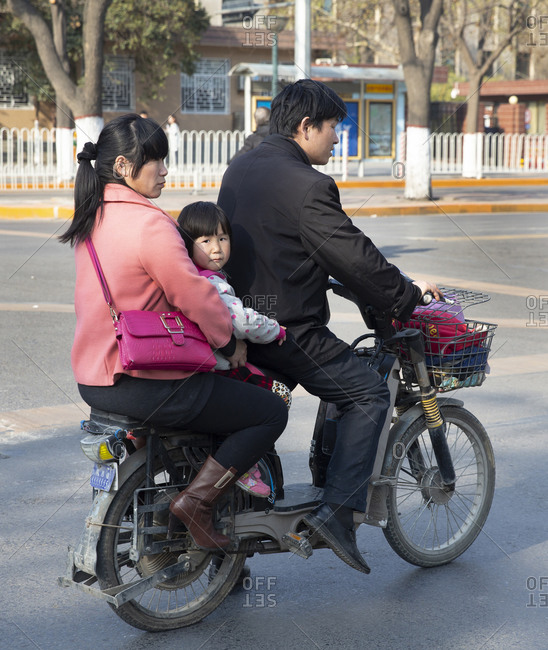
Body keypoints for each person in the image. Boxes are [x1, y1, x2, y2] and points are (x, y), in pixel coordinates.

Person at [218, 80, 442, 574]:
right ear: (305, 127)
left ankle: (225, 555)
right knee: (366, 394)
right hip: (285, 330)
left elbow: (293, 244)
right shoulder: (307, 184)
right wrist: (406, 295)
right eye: (333, 128)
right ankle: (337, 516)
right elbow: (355, 254)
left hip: (237, 322)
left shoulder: (244, 165)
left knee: (258, 419)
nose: (337, 139)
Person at [59, 114, 288, 551]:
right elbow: (195, 295)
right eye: (157, 161)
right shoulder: (150, 224)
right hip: (144, 381)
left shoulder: (91, 217)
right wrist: (229, 340)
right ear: (125, 167)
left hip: (95, 381)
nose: (165, 170)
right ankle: (197, 503)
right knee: (269, 411)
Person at [177, 200, 290, 497]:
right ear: (188, 245)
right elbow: (241, 322)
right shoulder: (213, 285)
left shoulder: (187, 279)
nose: (217, 248)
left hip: (195, 367)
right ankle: (242, 465)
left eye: (222, 238)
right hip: (218, 370)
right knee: (279, 395)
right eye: (206, 240)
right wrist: (274, 329)